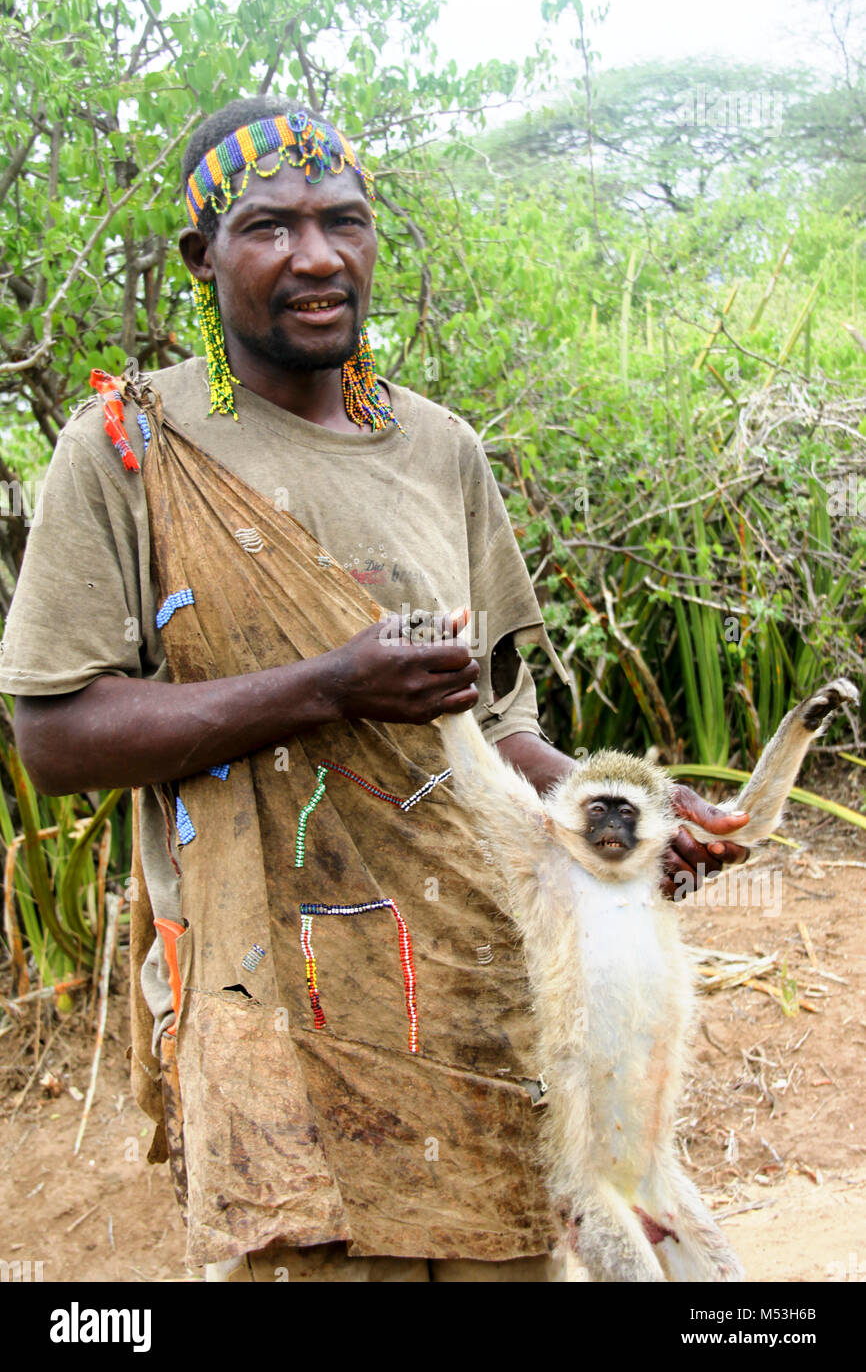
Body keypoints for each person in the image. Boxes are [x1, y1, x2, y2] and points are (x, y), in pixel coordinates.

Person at [0, 97, 749, 1282]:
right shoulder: (126, 449)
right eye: (269, 227)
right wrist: (329, 684)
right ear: (202, 255)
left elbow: (495, 725)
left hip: (477, 1000)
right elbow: (54, 736)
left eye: (341, 220)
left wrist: (614, 822)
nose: (315, 256)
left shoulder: (437, 446)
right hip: (272, 1011)